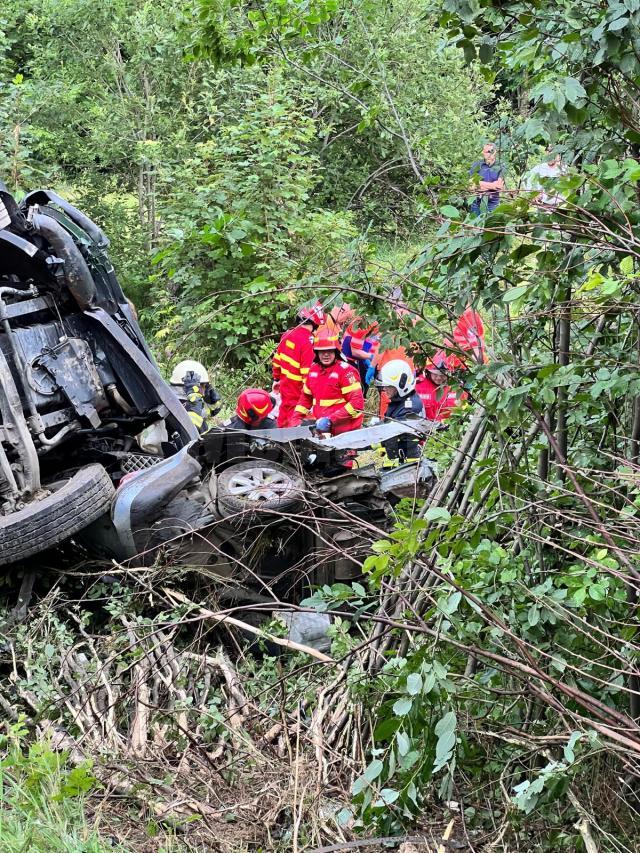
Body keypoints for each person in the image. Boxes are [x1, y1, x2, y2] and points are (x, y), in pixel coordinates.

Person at [290, 325, 364, 436]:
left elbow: (356, 404)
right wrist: (296, 420)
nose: (326, 354)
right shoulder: (313, 371)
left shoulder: (346, 372)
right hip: (324, 430)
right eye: (322, 351)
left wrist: (331, 420)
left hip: (347, 432)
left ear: (336, 351)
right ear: (316, 353)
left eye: (329, 351)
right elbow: (305, 398)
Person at [272, 301, 325, 427]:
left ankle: (280, 438)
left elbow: (277, 359)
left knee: (284, 413)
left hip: (285, 384)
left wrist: (276, 378)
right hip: (298, 389)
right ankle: (291, 442)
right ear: (315, 322)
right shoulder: (308, 342)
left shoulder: (287, 334)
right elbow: (307, 372)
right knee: (296, 417)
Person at [375, 358, 424, 466]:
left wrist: (360, 442)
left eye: (388, 386)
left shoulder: (410, 407)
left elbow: (391, 432)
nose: (384, 389)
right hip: (397, 463)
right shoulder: (400, 401)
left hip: (407, 466)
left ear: (401, 384)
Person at [169, 359, 221, 433]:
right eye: (203, 386)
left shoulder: (187, 400)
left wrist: (212, 402)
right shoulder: (175, 406)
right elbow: (190, 431)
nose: (204, 391)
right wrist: (195, 404)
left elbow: (208, 412)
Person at [416, 352, 465, 422]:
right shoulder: (418, 386)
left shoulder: (456, 388)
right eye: (435, 374)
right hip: (423, 427)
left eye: (442, 375)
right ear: (429, 372)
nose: (438, 378)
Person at [341, 318, 380, 396]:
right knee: (359, 389)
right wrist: (372, 358)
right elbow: (355, 352)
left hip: (364, 356)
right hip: (351, 360)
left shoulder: (380, 323)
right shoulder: (362, 324)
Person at [469, 143, 505, 215]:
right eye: (487, 152)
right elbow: (471, 187)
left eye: (491, 152)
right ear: (483, 152)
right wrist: (492, 186)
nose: (489, 154)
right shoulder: (476, 165)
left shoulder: (500, 166)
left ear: (495, 152)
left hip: (493, 205)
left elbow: (499, 186)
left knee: (493, 225)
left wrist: (478, 183)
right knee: (474, 225)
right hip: (476, 204)